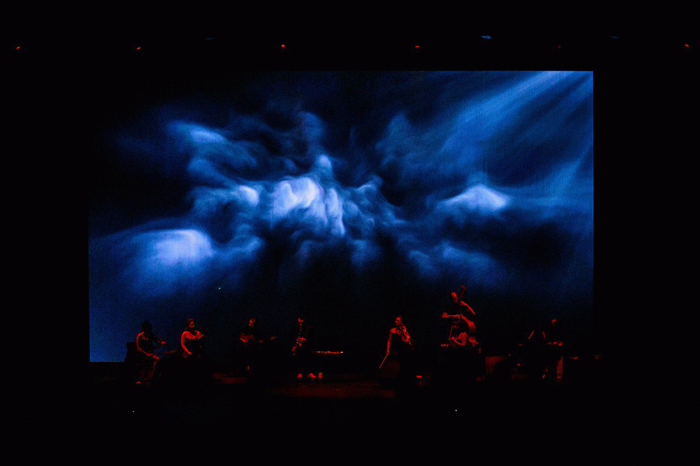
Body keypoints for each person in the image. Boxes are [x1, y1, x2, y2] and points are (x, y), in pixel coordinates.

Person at [381, 316, 416, 389]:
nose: (395, 322)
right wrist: (387, 349)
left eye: (397, 321)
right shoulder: (392, 330)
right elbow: (389, 340)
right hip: (395, 350)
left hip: (402, 350)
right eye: (396, 320)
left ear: (401, 322)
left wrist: (406, 337)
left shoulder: (404, 329)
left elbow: (408, 338)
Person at [134, 321, 166, 386]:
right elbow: (138, 348)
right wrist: (146, 354)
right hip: (142, 354)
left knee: (158, 360)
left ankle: (151, 378)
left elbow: (156, 340)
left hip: (149, 353)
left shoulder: (150, 335)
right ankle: (141, 379)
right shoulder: (139, 336)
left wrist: (161, 342)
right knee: (145, 362)